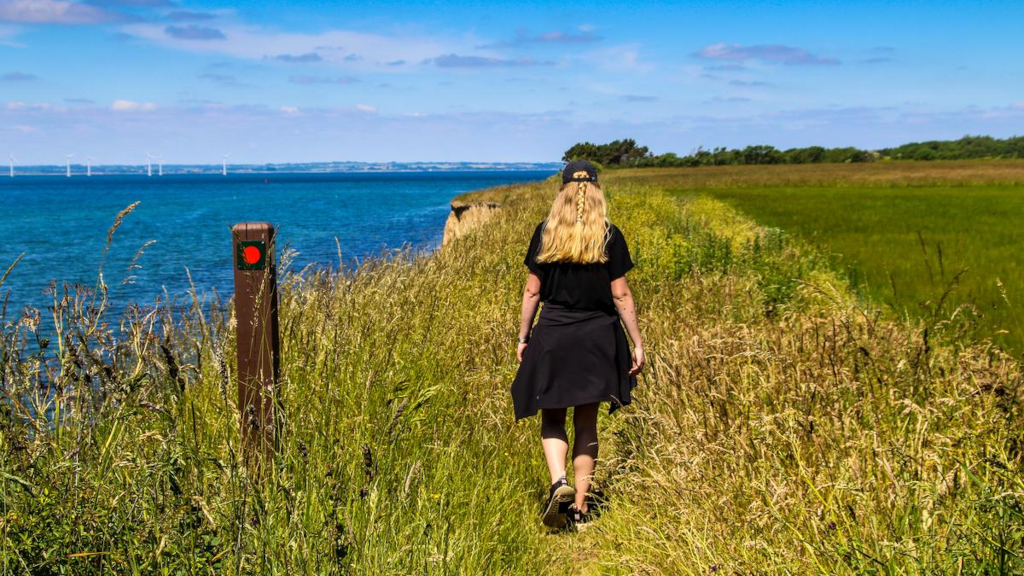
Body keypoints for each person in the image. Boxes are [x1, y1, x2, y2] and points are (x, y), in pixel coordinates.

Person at [511, 159, 644, 531]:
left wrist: (523, 337)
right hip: (597, 338)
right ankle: (581, 510)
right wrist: (636, 342)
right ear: (597, 190)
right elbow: (621, 295)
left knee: (552, 416)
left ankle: (559, 483)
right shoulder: (609, 234)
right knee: (588, 422)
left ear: (562, 189)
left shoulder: (546, 232)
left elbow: (532, 290)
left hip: (554, 335)